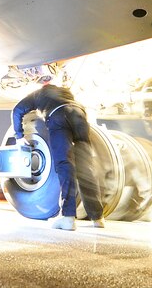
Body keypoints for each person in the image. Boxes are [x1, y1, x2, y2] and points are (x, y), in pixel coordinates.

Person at [11, 80, 105, 230]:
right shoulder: (66, 92)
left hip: (59, 117)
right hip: (80, 116)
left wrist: (19, 136)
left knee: (65, 165)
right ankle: (97, 217)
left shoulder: (38, 93)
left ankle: (67, 217)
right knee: (86, 168)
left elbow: (17, 110)